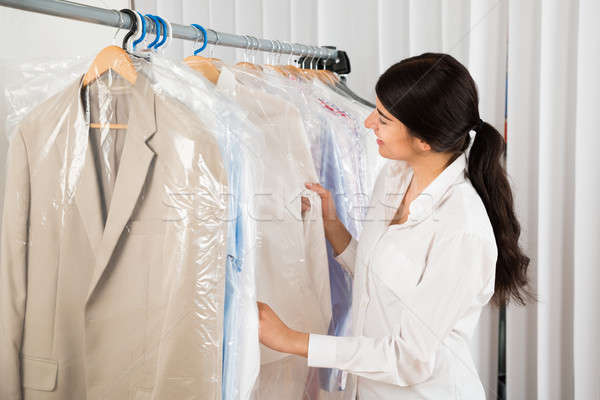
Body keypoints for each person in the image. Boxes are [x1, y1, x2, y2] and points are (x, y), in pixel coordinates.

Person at [257, 53, 531, 399]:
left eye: (384, 119)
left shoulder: (462, 231)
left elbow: (408, 359)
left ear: (425, 140)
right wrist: (331, 224)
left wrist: (293, 341)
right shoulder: (394, 177)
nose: (369, 122)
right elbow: (381, 282)